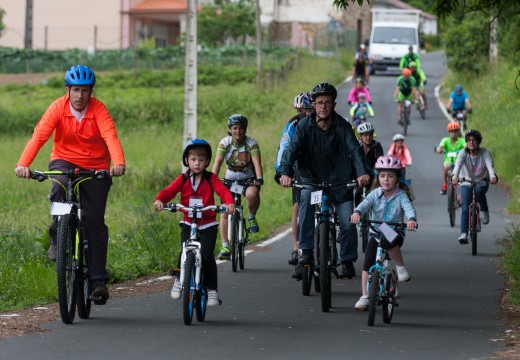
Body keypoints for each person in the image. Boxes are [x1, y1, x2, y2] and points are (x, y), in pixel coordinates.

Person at [15, 65, 126, 305]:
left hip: (96, 164)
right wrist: (23, 164)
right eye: (75, 90)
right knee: (59, 186)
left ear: (91, 92)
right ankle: (57, 237)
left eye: (85, 91)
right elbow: (40, 135)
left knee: (94, 223)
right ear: (67, 90)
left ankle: (97, 281)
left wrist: (118, 162)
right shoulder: (58, 107)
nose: (80, 96)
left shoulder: (99, 110)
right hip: (63, 160)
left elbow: (110, 136)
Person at [276, 82, 370, 280]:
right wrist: (284, 173)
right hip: (312, 179)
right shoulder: (303, 126)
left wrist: (361, 173)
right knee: (306, 206)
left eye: (327, 102)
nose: (323, 107)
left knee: (347, 221)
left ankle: (346, 261)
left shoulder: (343, 126)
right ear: (314, 105)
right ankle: (306, 251)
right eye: (319, 103)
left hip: (340, 181)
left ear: (334, 104)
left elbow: (355, 151)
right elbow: (291, 151)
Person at [154, 139, 235, 306]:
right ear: (186, 160)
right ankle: (178, 280)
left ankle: (212, 290)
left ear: (207, 161)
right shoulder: (183, 179)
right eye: (193, 159)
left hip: (208, 224)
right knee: (184, 251)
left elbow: (223, 191)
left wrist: (229, 203)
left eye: (201, 160)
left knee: (207, 256)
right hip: (188, 221)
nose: (197, 163)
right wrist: (159, 200)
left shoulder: (211, 178)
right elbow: (168, 191)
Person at [350, 155, 417, 311]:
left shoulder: (401, 195)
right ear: (378, 177)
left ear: (397, 178)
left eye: (390, 176)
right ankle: (365, 295)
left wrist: (411, 219)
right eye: (382, 176)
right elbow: (365, 204)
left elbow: (409, 209)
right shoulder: (375, 193)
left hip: (395, 232)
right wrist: (357, 212)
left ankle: (400, 267)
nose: (386, 179)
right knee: (367, 262)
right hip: (375, 233)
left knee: (388, 237)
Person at [213, 114, 264, 260]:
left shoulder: (251, 143)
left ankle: (251, 217)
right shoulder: (225, 142)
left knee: (252, 194)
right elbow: (218, 162)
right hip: (229, 180)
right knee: (224, 211)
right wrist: (212, 180)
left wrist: (259, 178)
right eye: (235, 128)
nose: (238, 131)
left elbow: (256, 163)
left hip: (248, 180)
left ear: (245, 129)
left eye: (241, 128)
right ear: (230, 129)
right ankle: (225, 246)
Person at [275, 93, 314, 272]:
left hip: (322, 171)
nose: (303, 113)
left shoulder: (322, 122)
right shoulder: (293, 124)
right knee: (298, 206)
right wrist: (282, 172)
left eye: (306, 110)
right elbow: (284, 148)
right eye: (300, 111)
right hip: (300, 170)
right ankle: (296, 247)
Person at [451, 130, 497, 244]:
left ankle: (484, 210)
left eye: (474, 140)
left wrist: (492, 176)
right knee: (465, 207)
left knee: (479, 191)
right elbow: (457, 165)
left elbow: (490, 165)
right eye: (469, 140)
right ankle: (464, 233)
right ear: (466, 142)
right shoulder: (463, 153)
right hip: (466, 181)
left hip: (482, 181)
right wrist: (454, 176)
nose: (471, 142)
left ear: (478, 142)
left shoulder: (485, 152)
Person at [354, 122, 384, 207]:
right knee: (358, 192)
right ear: (360, 136)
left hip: (374, 173)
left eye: (370, 135)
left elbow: (380, 161)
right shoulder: (357, 147)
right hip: (361, 173)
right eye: (365, 135)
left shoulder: (377, 146)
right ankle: (357, 212)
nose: (368, 138)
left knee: (375, 193)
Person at [435, 122, 466, 194]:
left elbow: (466, 146)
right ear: (449, 132)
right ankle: (445, 184)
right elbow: (440, 147)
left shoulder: (461, 140)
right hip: (448, 161)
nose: (454, 133)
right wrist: (438, 149)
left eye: (455, 131)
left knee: (462, 172)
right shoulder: (445, 140)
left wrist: (466, 149)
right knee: (446, 167)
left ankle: (462, 188)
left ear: (458, 132)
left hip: (459, 161)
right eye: (452, 131)